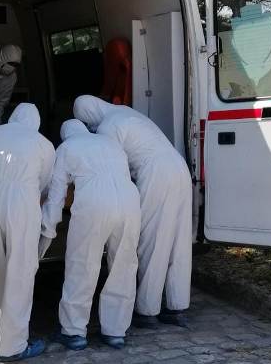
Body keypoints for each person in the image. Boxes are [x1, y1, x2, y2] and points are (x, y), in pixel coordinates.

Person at [73, 96, 193, 329]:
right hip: (179, 167)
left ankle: (147, 310)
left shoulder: (109, 126)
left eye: (87, 123)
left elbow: (108, 167)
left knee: (152, 241)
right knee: (178, 242)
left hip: (156, 173)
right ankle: (177, 307)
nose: (90, 128)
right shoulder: (126, 112)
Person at [40, 119, 140, 350]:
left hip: (94, 202)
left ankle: (73, 332)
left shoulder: (66, 148)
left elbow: (57, 193)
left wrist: (47, 228)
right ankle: (115, 332)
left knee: (82, 265)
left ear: (65, 135)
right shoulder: (111, 143)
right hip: (129, 201)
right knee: (123, 266)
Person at [0, 103, 55, 360]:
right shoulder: (42, 143)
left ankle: (3, 328)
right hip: (22, 202)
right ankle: (13, 346)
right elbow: (45, 183)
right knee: (20, 271)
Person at [0, 44, 22, 128]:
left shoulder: (11, 78)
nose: (12, 67)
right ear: (2, 59)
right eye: (11, 63)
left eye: (16, 65)